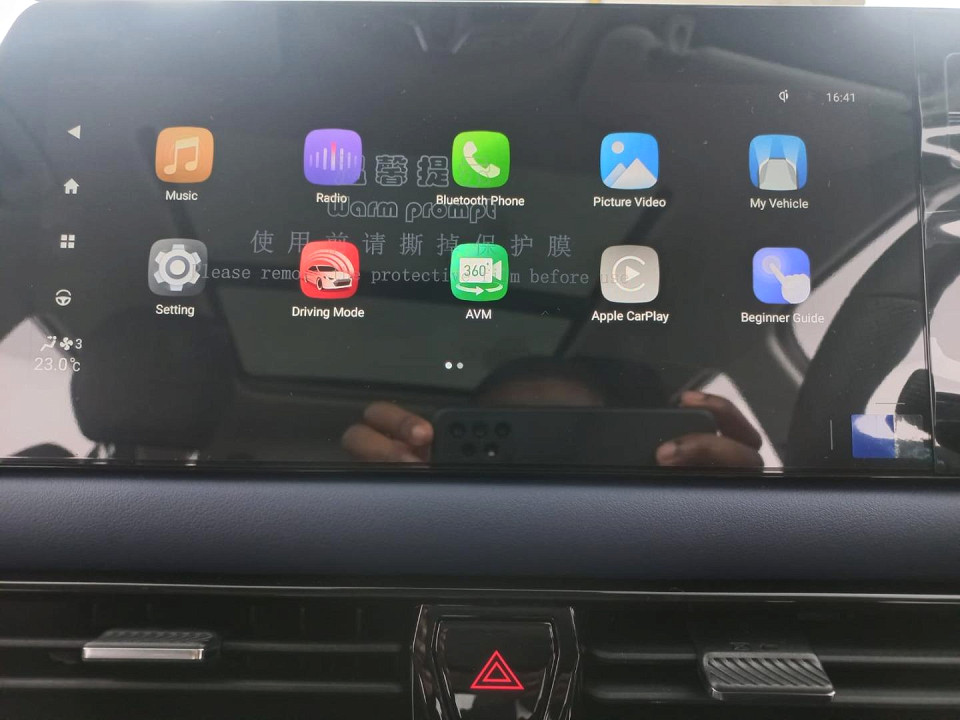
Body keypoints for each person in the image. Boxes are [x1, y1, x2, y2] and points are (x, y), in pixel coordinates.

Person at [342, 356, 763, 468]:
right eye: (508, 434)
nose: (541, 456)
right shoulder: (430, 507)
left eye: (571, 436)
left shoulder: (655, 526)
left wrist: (735, 523)